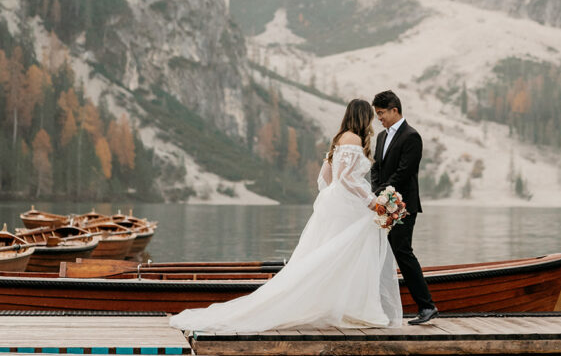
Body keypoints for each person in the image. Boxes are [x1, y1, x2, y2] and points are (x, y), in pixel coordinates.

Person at [168, 98, 402, 334]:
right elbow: (347, 179)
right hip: (346, 205)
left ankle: (343, 306)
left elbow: (325, 178)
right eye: (370, 116)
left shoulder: (340, 138)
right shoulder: (353, 138)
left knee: (332, 254)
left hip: (337, 203)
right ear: (363, 117)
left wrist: (332, 199)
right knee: (345, 253)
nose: (373, 120)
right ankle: (354, 308)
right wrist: (372, 202)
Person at [371, 90, 438, 325]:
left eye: (381, 113)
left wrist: (381, 193)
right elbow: (376, 167)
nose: (379, 118)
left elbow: (404, 171)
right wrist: (376, 191)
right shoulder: (381, 137)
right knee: (380, 254)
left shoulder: (412, 136)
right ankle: (379, 307)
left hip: (404, 206)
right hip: (382, 204)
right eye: (377, 114)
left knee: (402, 252)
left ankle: (427, 306)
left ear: (394, 110)